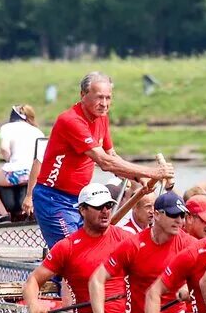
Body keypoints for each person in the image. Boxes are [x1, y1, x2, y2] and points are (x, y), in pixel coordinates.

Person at [34, 72, 173, 248]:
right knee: (71, 252)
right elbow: (104, 163)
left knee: (90, 250)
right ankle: (49, 275)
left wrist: (138, 178)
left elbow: (112, 156)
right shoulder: (71, 120)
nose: (104, 104)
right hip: (53, 199)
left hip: (81, 199)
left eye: (108, 98)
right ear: (83, 95)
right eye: (99, 98)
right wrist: (153, 172)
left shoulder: (101, 118)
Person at [89, 191, 196, 313]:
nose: (179, 220)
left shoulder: (189, 244)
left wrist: (188, 286)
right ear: (157, 215)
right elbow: (96, 280)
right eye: (173, 215)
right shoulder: (133, 245)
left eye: (182, 215)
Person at [23, 183, 131, 313]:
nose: (105, 211)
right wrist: (33, 304)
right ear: (82, 210)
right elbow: (32, 281)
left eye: (108, 206)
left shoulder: (126, 239)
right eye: (98, 207)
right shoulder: (67, 247)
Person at [0, 105, 46, 222]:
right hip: (35, 175)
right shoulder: (38, 131)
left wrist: (9, 159)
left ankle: (3, 213)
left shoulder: (7, 127)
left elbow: (4, 149)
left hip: (15, 174)